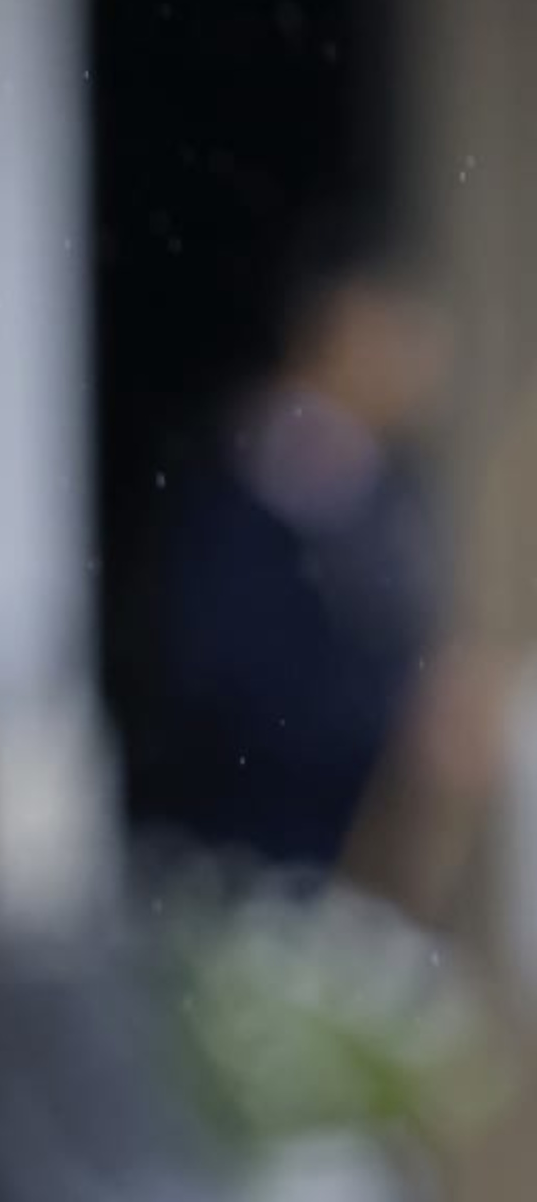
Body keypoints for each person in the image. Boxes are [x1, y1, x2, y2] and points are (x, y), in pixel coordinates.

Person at [129, 245, 484, 877]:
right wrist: (391, 714)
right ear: (337, 336)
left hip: (358, 857)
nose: (416, 366)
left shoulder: (394, 488)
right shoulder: (244, 484)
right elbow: (224, 673)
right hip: (248, 853)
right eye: (393, 337)